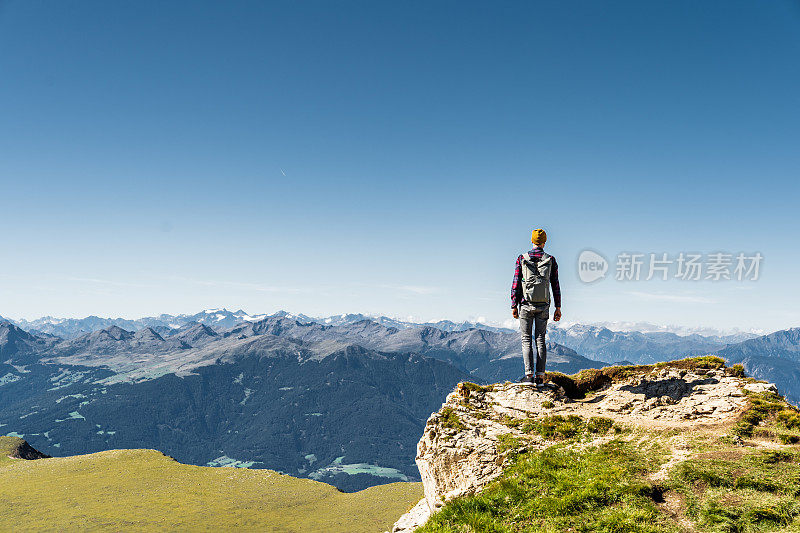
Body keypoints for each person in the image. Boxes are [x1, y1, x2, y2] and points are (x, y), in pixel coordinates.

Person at [511, 228, 562, 386]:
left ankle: (528, 377)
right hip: (543, 305)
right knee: (540, 339)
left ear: (532, 241)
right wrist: (558, 307)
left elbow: (516, 283)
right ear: (544, 242)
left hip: (526, 304)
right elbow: (555, 285)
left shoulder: (522, 258)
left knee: (526, 339)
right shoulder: (551, 260)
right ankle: (540, 377)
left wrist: (514, 304)